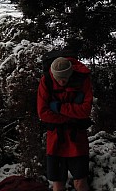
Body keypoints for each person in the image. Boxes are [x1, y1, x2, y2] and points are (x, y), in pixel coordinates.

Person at [37, 56, 93, 191]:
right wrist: (72, 116)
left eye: (65, 78)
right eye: (59, 79)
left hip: (77, 139)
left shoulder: (82, 79)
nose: (62, 81)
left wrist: (59, 108)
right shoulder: (46, 81)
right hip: (55, 139)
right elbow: (43, 113)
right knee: (57, 183)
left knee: (80, 182)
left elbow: (85, 111)